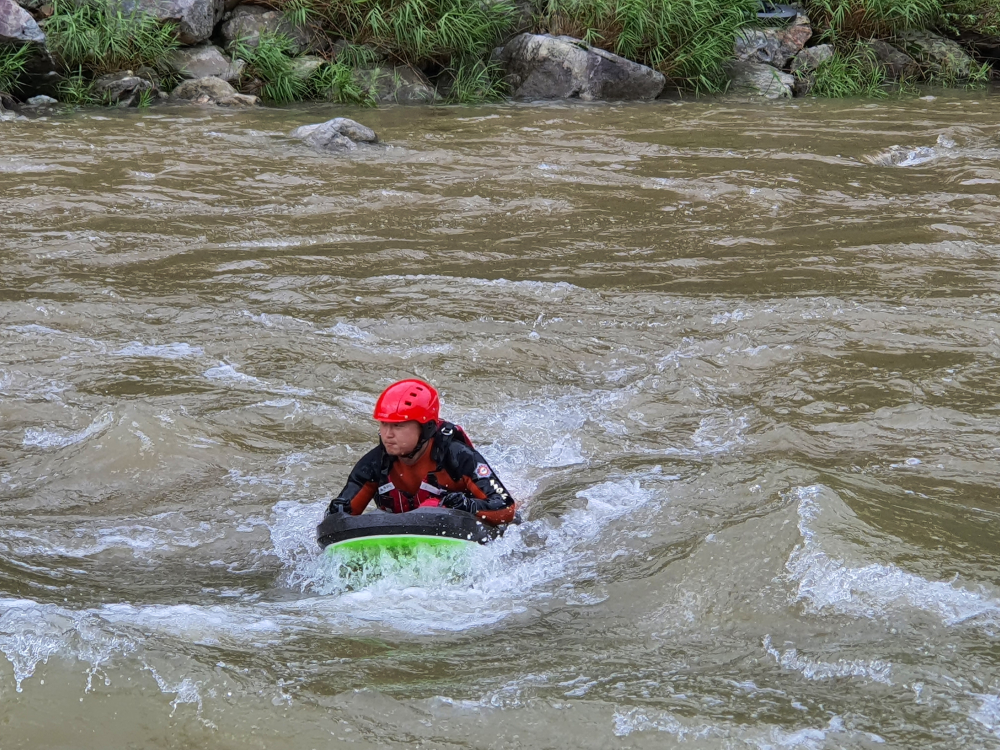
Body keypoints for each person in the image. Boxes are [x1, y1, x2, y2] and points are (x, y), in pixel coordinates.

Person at [326, 379, 517, 526]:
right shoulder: (373, 463)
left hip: (456, 529)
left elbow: (506, 508)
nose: (387, 434)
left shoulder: (459, 457)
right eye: (384, 424)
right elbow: (338, 522)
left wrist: (468, 506)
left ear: (426, 428)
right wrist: (336, 513)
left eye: (398, 426)